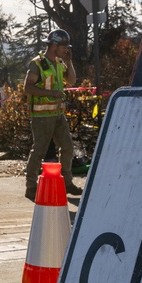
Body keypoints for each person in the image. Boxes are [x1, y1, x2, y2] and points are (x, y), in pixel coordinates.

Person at [23, 29, 84, 201]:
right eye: (65, 47)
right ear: (55, 46)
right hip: (41, 115)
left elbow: (71, 81)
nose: (67, 50)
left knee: (67, 147)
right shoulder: (38, 64)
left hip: (57, 113)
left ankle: (67, 183)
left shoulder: (58, 63)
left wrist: (69, 62)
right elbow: (28, 88)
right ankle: (31, 187)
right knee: (40, 150)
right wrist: (50, 94)